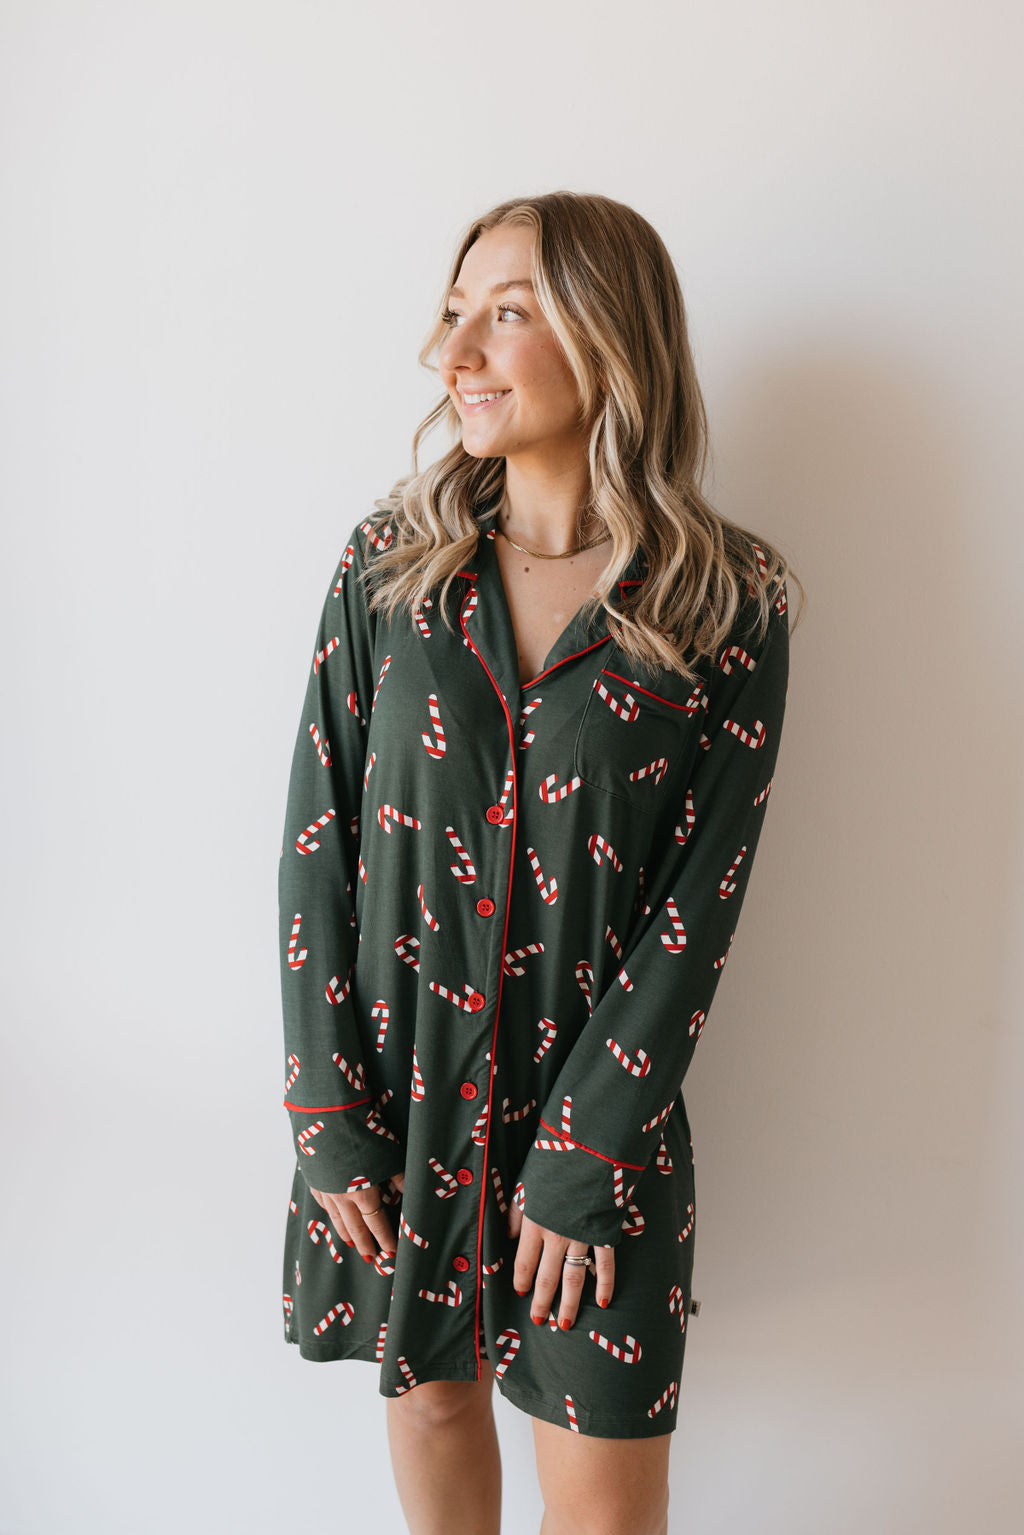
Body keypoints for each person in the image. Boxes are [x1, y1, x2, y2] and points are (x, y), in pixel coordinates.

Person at [277, 190, 804, 1535]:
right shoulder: (389, 570)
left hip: (597, 1133)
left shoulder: (728, 602)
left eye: (504, 313)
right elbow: (316, 842)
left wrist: (582, 1157)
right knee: (437, 1403)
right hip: (399, 1105)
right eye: (455, 313)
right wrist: (327, 1109)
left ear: (610, 337)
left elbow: (700, 905)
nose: (455, 352)